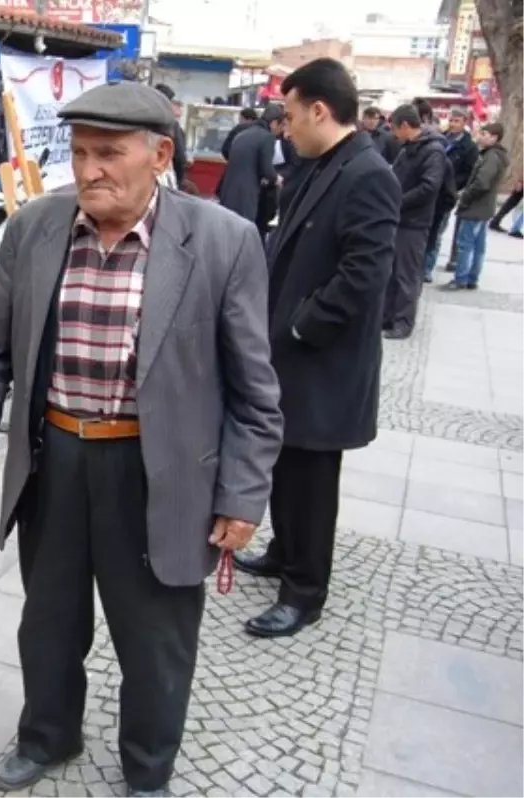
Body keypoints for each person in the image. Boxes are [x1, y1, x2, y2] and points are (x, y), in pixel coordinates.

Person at [0, 81, 283, 796]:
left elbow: (256, 392)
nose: (89, 169)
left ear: (159, 154)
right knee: (50, 621)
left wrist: (243, 494)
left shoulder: (222, 242)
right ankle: (47, 735)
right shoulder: (36, 228)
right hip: (57, 457)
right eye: (79, 152)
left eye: (109, 153)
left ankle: (148, 770)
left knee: (156, 637)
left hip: (157, 470)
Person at [235, 58, 399, 638]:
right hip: (292, 355)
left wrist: (303, 327)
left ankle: (305, 590)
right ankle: (285, 549)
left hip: (320, 361)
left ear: (320, 110)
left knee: (311, 478)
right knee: (285, 464)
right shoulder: (323, 165)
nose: (286, 126)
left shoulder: (368, 173)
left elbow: (365, 273)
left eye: (292, 113)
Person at [383, 104, 446, 339]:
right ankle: (387, 316)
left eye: (395, 129)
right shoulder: (408, 148)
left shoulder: (433, 151)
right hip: (398, 219)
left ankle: (403, 321)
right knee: (390, 272)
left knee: (406, 274)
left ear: (406, 126)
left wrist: (398, 200)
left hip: (414, 222)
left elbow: (429, 187)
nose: (393, 135)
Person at [445, 122, 509, 291]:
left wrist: (465, 196)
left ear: (495, 138)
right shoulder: (492, 155)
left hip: (476, 206)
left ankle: (461, 278)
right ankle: (471, 277)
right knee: (478, 244)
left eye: (484, 134)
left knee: (466, 244)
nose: (480, 137)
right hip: (483, 207)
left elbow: (482, 183)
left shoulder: (491, 157)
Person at [217, 104, 284, 236]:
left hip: (228, 189)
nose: (281, 131)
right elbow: (266, 168)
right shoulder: (267, 137)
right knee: (242, 233)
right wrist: (277, 179)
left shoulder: (244, 133)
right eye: (281, 126)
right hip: (246, 193)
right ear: (275, 123)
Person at [435, 109, 481, 272]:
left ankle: (440, 262)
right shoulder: (441, 139)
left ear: (464, 123)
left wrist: (454, 186)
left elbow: (469, 172)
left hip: (449, 190)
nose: (453, 124)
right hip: (433, 186)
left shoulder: (469, 147)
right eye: (451, 120)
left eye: (457, 121)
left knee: (440, 226)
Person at [154, 83, 188, 186]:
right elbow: (180, 157)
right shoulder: (171, 124)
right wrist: (179, 180)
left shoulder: (140, 120)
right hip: (163, 175)